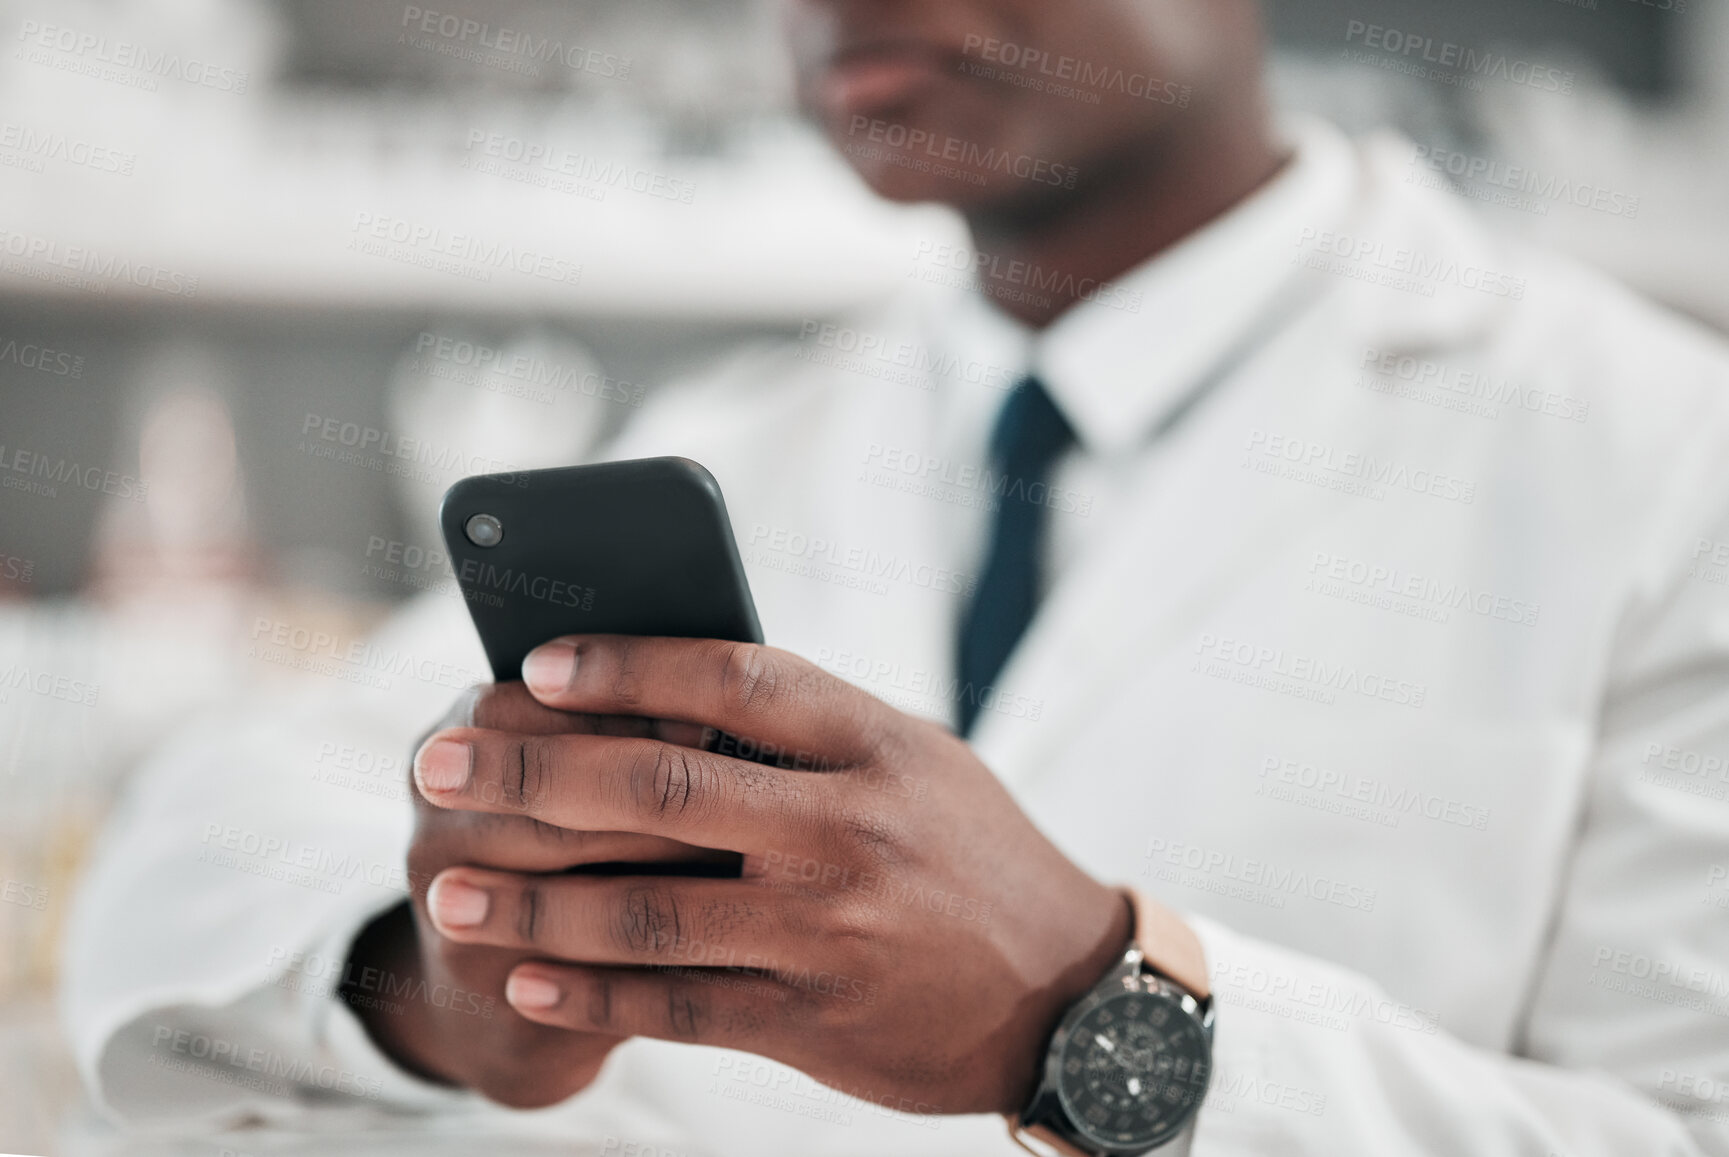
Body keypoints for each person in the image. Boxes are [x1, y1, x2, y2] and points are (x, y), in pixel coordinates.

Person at [63, 0, 1729, 1153]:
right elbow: (204, 840)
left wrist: (1088, 1016)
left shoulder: (1664, 455)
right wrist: (429, 992)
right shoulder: (748, 430)